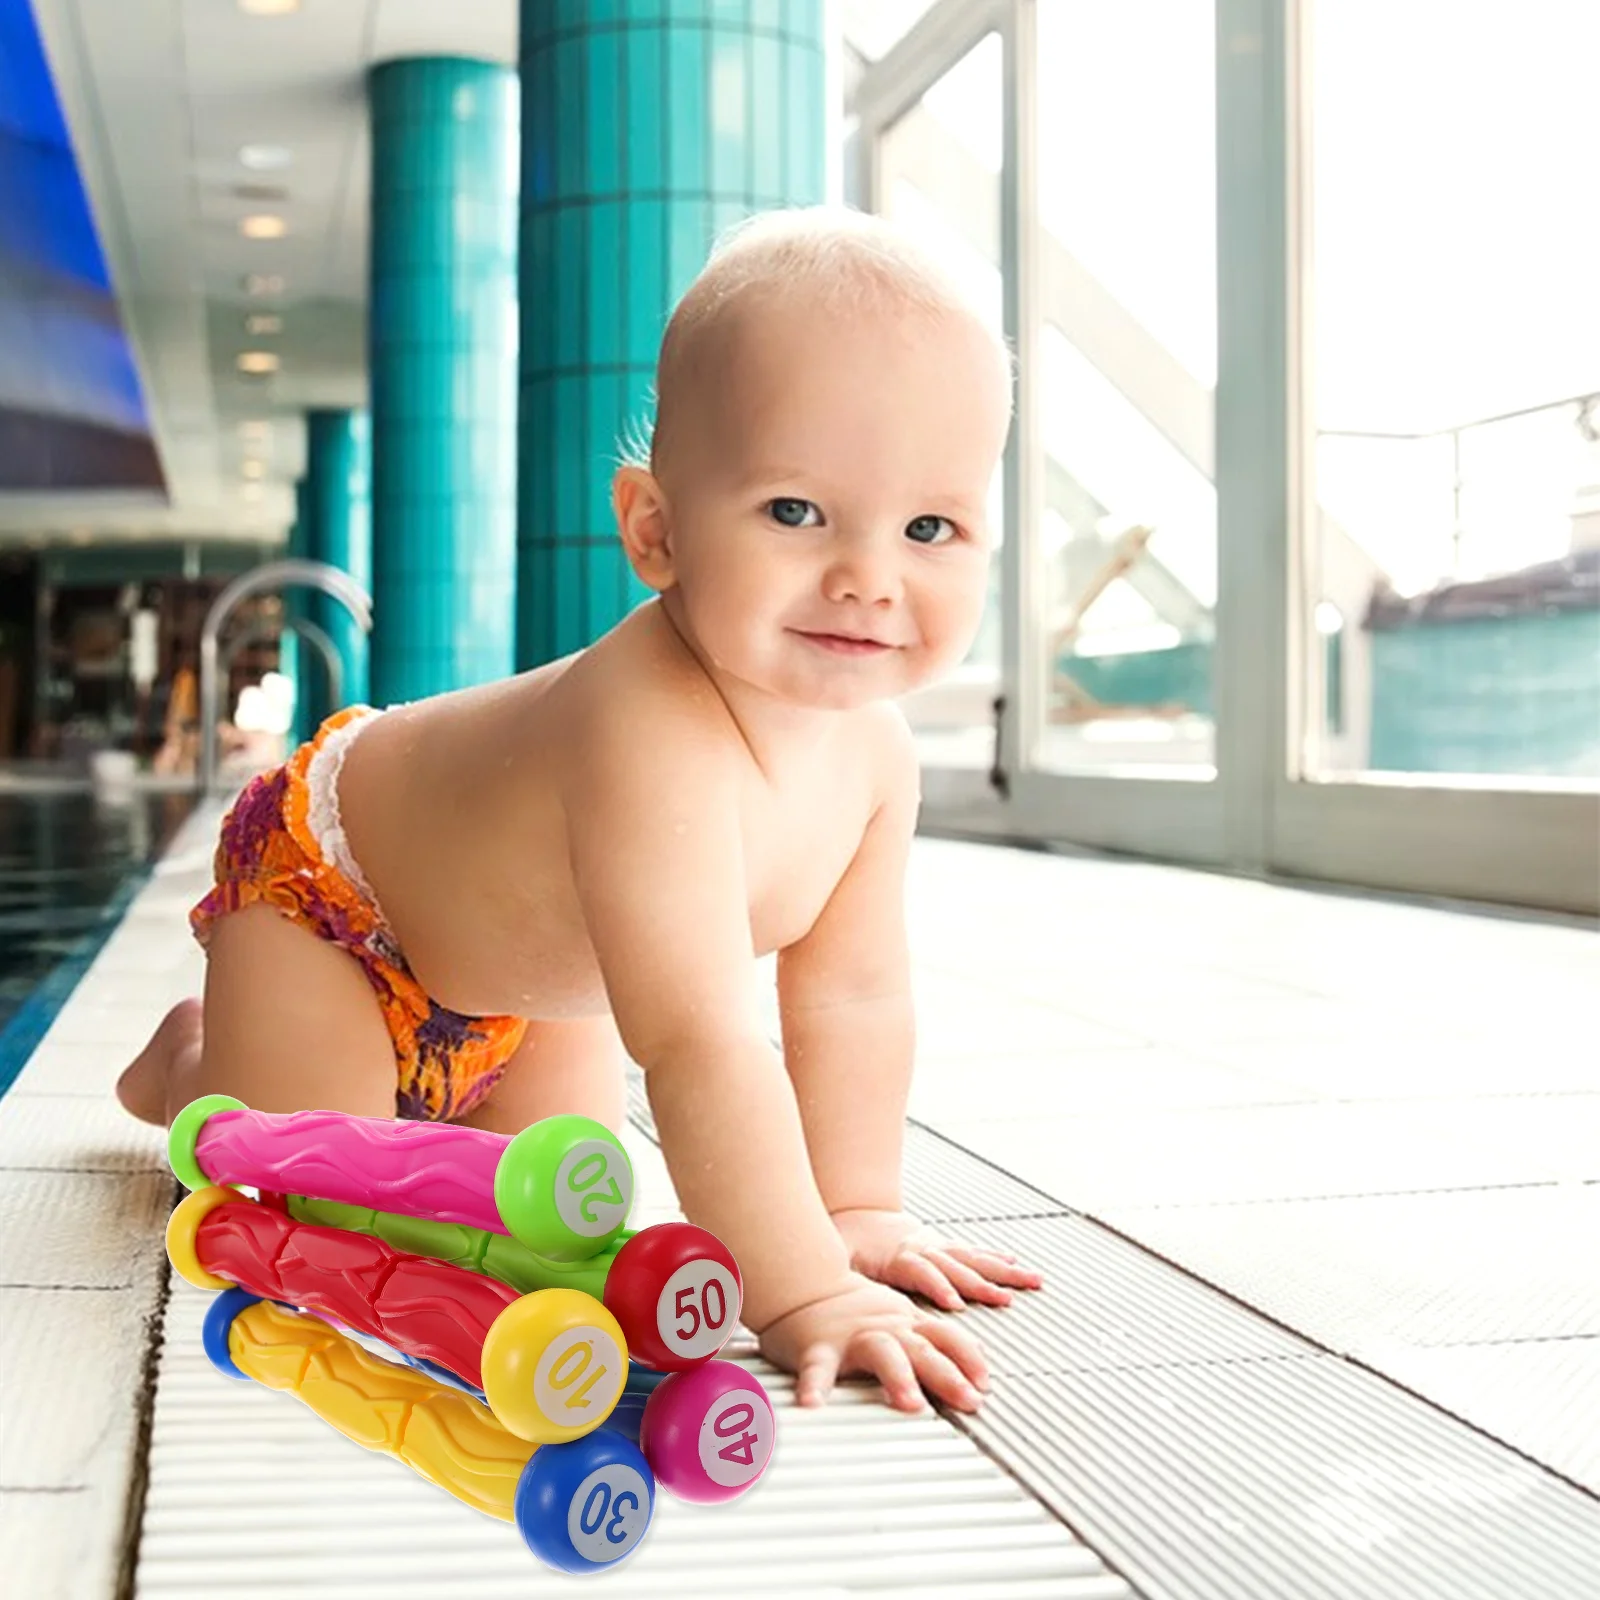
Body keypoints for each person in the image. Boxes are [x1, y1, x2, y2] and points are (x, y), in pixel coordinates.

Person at [117, 207, 1042, 1414]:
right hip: (338, 897)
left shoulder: (875, 756)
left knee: (546, 1217)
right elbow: (698, 1042)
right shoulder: (646, 733)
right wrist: (800, 1288)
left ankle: (270, 1060)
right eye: (795, 512)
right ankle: (193, 1064)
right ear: (656, 530)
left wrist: (852, 1208)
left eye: (930, 527)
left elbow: (851, 994)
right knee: (337, 1214)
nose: (870, 575)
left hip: (522, 986)